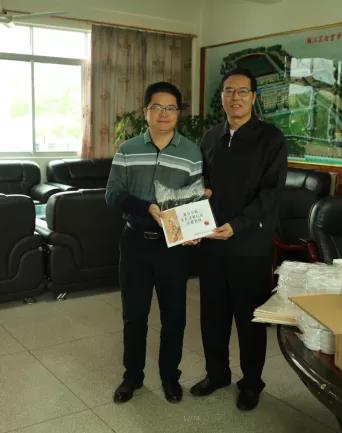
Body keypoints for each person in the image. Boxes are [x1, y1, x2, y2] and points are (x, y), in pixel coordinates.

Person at [190, 68, 287, 411]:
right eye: (229, 91)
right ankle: (217, 374)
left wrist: (238, 224)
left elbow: (271, 193)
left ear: (254, 97)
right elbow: (199, 184)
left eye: (242, 91)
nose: (235, 97)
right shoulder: (210, 138)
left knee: (249, 319)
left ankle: (251, 383)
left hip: (249, 245)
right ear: (222, 97)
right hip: (212, 243)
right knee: (212, 316)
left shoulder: (271, 138)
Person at [106, 82, 203, 404]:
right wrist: (145, 207)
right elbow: (112, 194)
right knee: (134, 316)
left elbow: (194, 200)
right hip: (135, 243)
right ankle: (132, 377)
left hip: (173, 247)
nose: (164, 114)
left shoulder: (191, 152)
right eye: (157, 107)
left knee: (174, 317)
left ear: (178, 113)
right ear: (146, 111)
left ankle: (170, 377)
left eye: (170, 108)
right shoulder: (128, 149)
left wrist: (194, 227)